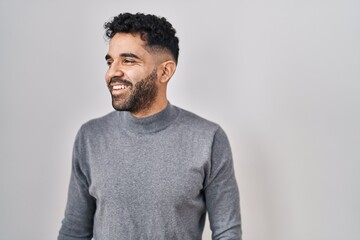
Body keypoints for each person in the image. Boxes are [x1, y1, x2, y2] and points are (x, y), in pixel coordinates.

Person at [58, 12, 241, 240]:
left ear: (165, 71)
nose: (112, 72)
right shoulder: (91, 136)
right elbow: (74, 232)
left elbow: (227, 232)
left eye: (128, 60)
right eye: (110, 61)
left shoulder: (208, 139)